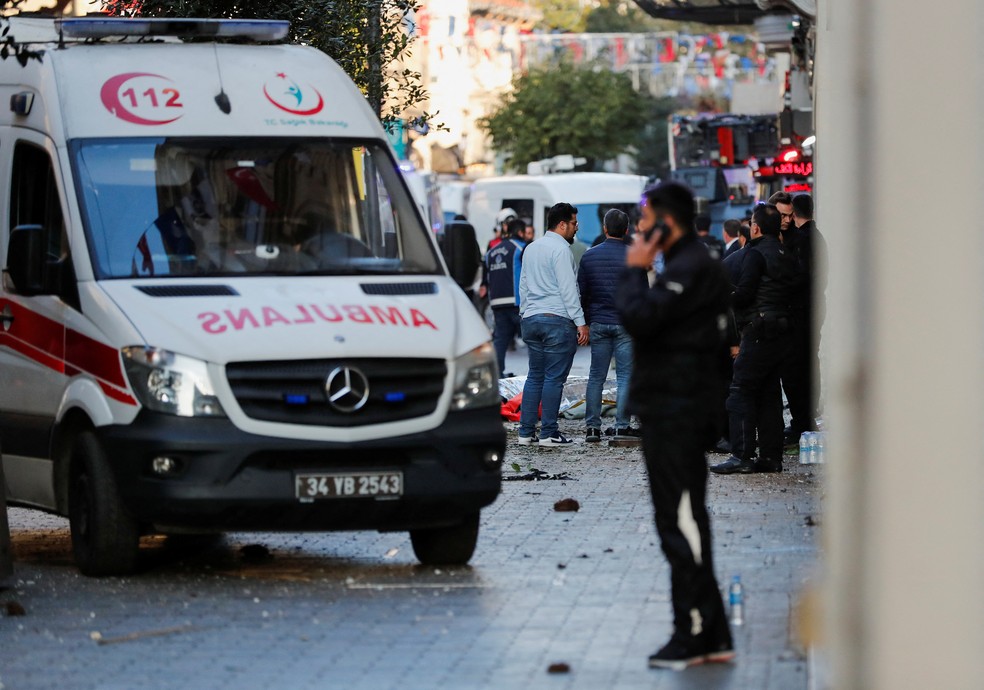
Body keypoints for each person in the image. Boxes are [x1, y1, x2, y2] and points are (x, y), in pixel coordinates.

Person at [616, 182, 734, 670]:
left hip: (677, 412)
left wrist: (633, 271)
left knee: (681, 522)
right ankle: (710, 630)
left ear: (666, 220)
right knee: (683, 521)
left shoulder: (688, 269)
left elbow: (639, 317)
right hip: (676, 407)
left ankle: (695, 632)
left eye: (646, 219)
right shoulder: (692, 265)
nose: (640, 229)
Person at [711, 203, 796, 475]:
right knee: (770, 394)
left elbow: (745, 294)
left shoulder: (754, 254)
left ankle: (742, 455)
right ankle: (771, 457)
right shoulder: (787, 253)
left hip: (758, 329)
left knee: (740, 391)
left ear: (755, 227)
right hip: (783, 331)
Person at [517, 202, 589, 447]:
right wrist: (580, 322)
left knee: (534, 376)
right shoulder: (561, 251)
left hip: (532, 320)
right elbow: (569, 289)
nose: (576, 228)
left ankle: (525, 433)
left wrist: (524, 312)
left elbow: (524, 284)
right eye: (574, 223)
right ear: (562, 224)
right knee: (553, 379)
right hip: (557, 321)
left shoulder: (531, 248)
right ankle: (549, 433)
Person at [577, 208, 636, 442]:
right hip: (625, 324)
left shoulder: (589, 256)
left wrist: (585, 322)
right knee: (625, 376)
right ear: (627, 230)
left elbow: (582, 293)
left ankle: (592, 428)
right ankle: (622, 426)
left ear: (604, 229)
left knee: (596, 376)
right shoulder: (634, 256)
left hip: (599, 322)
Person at [780, 193, 828, 443]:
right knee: (810, 362)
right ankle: (807, 416)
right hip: (815, 306)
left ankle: (802, 420)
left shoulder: (802, 240)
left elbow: (801, 276)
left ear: (794, 213)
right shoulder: (818, 238)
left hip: (801, 310)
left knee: (798, 366)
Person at [485, 218, 528, 377]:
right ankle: (537, 376)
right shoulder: (520, 248)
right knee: (532, 339)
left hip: (497, 302)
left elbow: (486, 276)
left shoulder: (491, 252)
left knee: (500, 341)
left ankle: (496, 375)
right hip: (518, 302)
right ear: (520, 232)